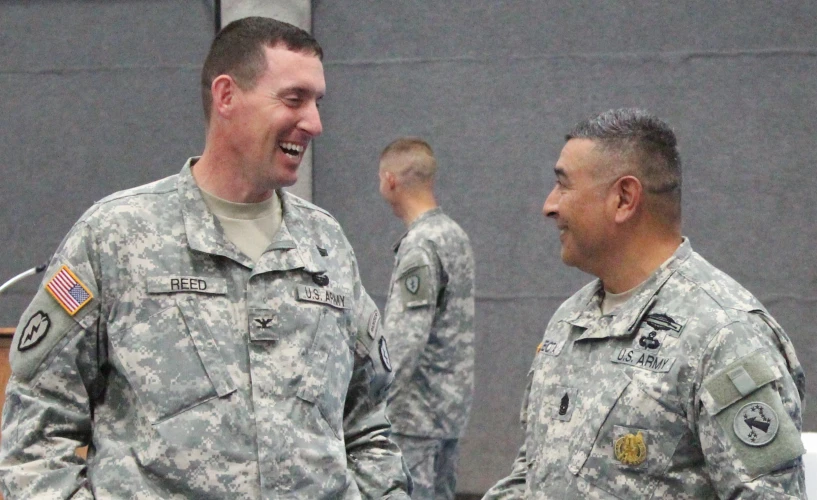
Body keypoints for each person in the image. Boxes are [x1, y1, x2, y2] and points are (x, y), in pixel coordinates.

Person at [0, 17, 411, 499]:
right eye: (294, 99)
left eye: (318, 102)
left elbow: (369, 426)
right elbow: (35, 429)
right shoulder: (117, 235)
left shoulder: (325, 244)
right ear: (227, 96)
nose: (315, 123)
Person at [484, 108, 807, 499]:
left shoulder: (724, 336)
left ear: (624, 198)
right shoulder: (571, 321)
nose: (549, 206)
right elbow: (532, 476)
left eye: (563, 186)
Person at [378, 138, 475, 499]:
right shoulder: (454, 235)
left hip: (414, 416)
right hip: (448, 412)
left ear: (390, 180)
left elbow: (404, 344)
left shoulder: (420, 245)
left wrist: (371, 408)